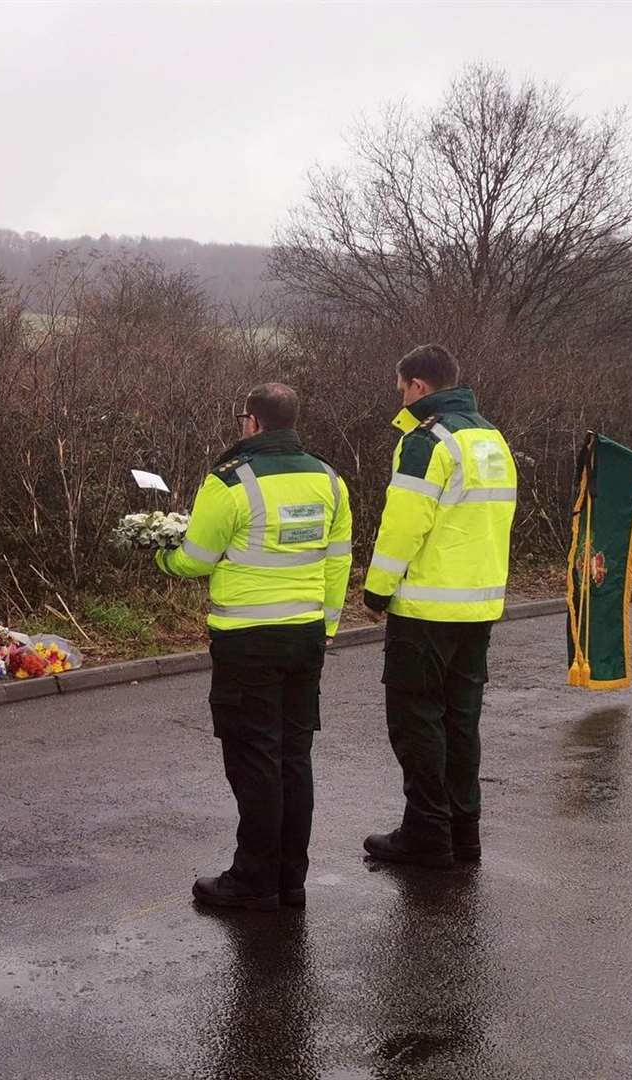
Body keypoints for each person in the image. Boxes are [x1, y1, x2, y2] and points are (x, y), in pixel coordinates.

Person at [157, 382, 352, 911]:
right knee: (294, 758)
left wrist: (161, 557)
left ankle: (254, 879)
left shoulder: (229, 481)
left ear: (252, 423)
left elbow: (196, 558)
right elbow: (338, 561)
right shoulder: (329, 480)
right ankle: (291, 879)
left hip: (247, 641)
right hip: (307, 635)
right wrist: (327, 626)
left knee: (254, 760)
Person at [360, 345, 516, 869]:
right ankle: (462, 831)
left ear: (419, 387)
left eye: (402, 387)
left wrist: (378, 588)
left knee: (416, 722)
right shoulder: (491, 438)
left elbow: (404, 523)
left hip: (426, 608)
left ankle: (426, 831)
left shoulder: (427, 442)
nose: (399, 396)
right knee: (460, 721)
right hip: (479, 605)